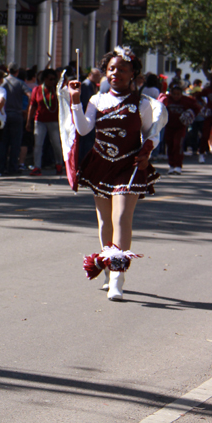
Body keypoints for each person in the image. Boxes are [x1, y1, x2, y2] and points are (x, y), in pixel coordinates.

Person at [64, 48, 167, 301]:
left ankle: (118, 277)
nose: (115, 73)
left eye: (122, 69)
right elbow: (84, 129)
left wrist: (146, 154)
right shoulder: (96, 101)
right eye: (111, 69)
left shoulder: (142, 104)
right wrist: (75, 100)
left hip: (128, 167)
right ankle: (109, 268)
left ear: (133, 73)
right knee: (105, 222)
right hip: (100, 165)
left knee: (121, 218)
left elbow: (150, 134)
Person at [26, 69, 63, 176]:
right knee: (38, 144)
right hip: (40, 121)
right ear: (44, 79)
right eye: (50, 79)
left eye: (54, 79)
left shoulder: (57, 90)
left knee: (56, 144)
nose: (52, 81)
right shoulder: (37, 90)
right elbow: (32, 106)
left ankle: (59, 164)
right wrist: (28, 122)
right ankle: (37, 167)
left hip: (54, 121)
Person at [158, 84, 200, 175]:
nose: (176, 96)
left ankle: (178, 166)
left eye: (178, 94)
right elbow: (158, 106)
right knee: (170, 145)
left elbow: (197, 108)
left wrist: (191, 115)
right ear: (171, 94)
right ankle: (171, 165)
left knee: (178, 144)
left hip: (180, 127)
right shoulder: (166, 99)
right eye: (174, 94)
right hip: (169, 126)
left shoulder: (187, 100)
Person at [0, 64, 27, 175]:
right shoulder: (20, 83)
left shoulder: (2, 83)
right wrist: (26, 109)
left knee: (2, 142)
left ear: (8, 70)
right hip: (17, 114)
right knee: (15, 143)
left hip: (4, 114)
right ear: (17, 71)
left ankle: (0, 166)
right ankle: (13, 167)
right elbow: (30, 94)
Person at [78, 68, 103, 163]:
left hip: (89, 115)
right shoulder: (86, 85)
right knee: (86, 140)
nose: (98, 78)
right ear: (91, 75)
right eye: (97, 76)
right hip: (87, 116)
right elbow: (86, 101)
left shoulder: (91, 85)